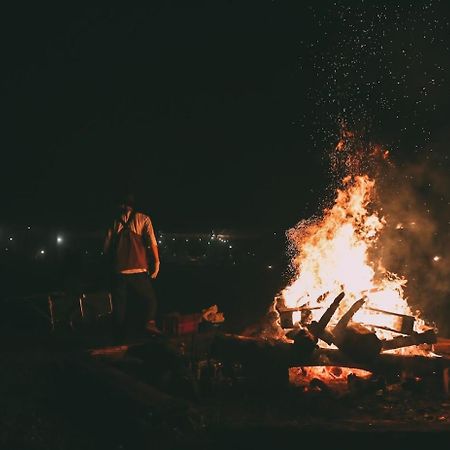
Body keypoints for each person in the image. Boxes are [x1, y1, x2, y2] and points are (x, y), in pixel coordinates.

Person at [103, 193, 161, 342]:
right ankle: (148, 324)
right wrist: (157, 262)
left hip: (118, 271)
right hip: (138, 269)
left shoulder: (114, 222)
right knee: (149, 300)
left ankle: (118, 338)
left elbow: (106, 247)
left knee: (120, 306)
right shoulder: (143, 218)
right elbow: (152, 241)